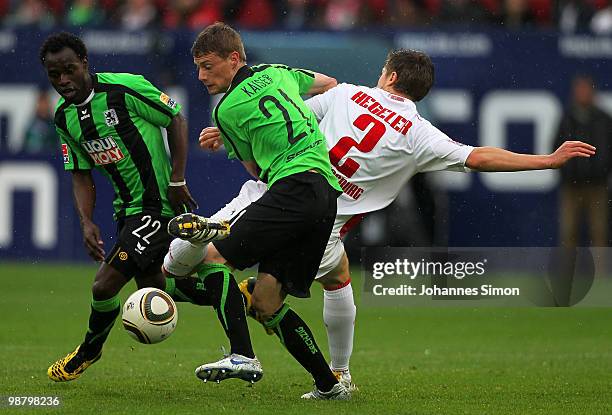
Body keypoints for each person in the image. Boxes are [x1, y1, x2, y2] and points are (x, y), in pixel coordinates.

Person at [166, 48, 596, 392]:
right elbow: (479, 157)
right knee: (334, 277)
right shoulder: (419, 134)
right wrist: (548, 160)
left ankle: (180, 297)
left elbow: (287, 118)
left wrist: (228, 129)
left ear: (389, 76)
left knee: (196, 263)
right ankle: (339, 374)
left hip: (277, 193)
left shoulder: (346, 94)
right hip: (326, 225)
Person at [40, 32, 250, 383]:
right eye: (54, 75)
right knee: (158, 287)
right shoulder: (65, 119)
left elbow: (176, 118)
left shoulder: (124, 89)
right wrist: (86, 221)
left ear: (85, 64)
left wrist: (178, 179)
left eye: (69, 70)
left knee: (103, 287)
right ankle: (238, 298)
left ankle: (89, 350)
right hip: (127, 211)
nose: (63, 80)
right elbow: (79, 173)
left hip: (157, 207)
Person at [165, 22, 351, 400]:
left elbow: (257, 172)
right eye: (198, 67)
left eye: (208, 65)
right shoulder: (278, 73)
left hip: (292, 186)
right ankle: (330, 386)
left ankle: (242, 355)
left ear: (234, 59)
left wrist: (234, 135)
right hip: (326, 194)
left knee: (212, 259)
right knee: (266, 302)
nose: (201, 76)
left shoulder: (227, 110)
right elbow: (330, 83)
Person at [554, 74, 612, 248]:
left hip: (598, 186)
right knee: (568, 232)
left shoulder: (603, 119)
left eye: (586, 89)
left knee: (599, 232)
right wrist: (568, 174)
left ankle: (601, 274)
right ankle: (568, 272)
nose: (583, 93)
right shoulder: (568, 118)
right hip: (571, 187)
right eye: (580, 89)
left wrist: (601, 172)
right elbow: (556, 147)